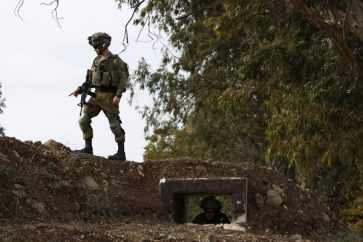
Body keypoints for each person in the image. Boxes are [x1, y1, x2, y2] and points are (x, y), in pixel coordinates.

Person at [69, 32, 128, 161]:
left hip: (109, 97)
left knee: (114, 125)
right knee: (83, 120)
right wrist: (79, 90)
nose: (94, 49)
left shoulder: (116, 61)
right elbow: (90, 80)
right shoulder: (96, 61)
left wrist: (118, 95)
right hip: (95, 96)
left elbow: (123, 80)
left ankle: (121, 152)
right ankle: (88, 147)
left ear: (103, 45)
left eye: (96, 47)